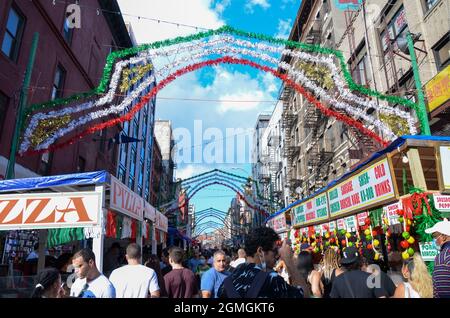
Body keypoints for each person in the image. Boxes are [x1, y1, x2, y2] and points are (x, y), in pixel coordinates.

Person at [218, 227, 306, 298]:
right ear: (260, 251)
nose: (277, 256)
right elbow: (305, 295)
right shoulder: (271, 280)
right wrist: (289, 261)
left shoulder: (227, 282)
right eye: (275, 251)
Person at [425, 219, 450, 298]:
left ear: (443, 237)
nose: (434, 240)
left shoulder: (442, 257)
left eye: (434, 236)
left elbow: (444, 292)